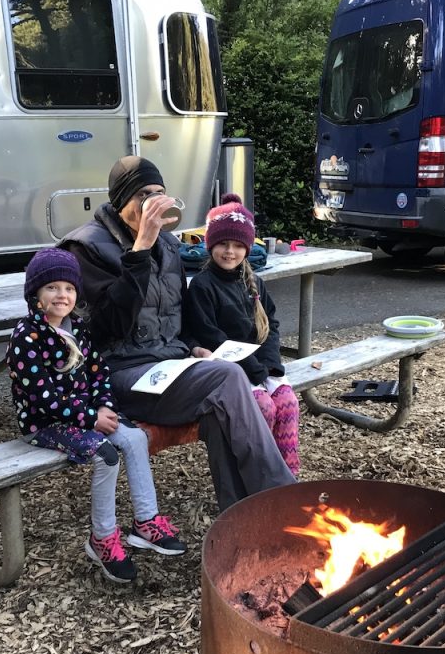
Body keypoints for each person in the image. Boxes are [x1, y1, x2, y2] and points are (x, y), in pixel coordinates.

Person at [59, 156, 296, 511]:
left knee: (220, 409)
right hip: (120, 375)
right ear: (122, 200)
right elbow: (106, 328)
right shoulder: (85, 248)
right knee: (228, 378)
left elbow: (178, 317)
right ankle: (286, 500)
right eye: (144, 194)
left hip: (170, 367)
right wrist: (140, 249)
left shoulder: (168, 245)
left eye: (160, 192)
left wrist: (194, 346)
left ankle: (245, 516)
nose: (155, 201)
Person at [6, 247, 187, 584]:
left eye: (69, 288)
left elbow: (98, 372)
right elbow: (42, 398)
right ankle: (102, 538)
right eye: (52, 287)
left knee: (135, 437)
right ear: (35, 295)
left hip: (85, 414)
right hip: (44, 423)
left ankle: (145, 521)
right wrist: (91, 419)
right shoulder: (26, 338)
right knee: (106, 455)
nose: (62, 295)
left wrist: (103, 406)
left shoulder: (77, 329)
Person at [183, 194, 301, 477]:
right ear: (210, 244)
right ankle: (259, 478)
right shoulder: (202, 286)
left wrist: (270, 365)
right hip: (231, 370)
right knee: (263, 408)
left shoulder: (254, 282)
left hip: (260, 366)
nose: (229, 252)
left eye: (238, 245)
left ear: (247, 248)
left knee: (287, 403)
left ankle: (288, 478)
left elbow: (270, 325)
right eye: (223, 244)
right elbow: (212, 337)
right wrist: (254, 370)